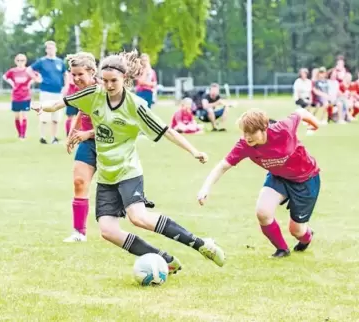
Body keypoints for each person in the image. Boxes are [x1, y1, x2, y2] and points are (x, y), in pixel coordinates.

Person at [33, 50, 225, 273]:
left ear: (125, 78)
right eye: (105, 81)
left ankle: (202, 244)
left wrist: (194, 151)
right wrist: (41, 107)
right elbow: (60, 103)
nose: (109, 85)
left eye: (113, 80)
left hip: (128, 172)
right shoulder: (93, 94)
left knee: (139, 218)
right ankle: (165, 259)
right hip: (106, 175)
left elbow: (167, 131)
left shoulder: (136, 105)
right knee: (108, 231)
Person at [197, 108, 321, 258]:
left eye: (252, 132)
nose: (247, 137)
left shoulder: (283, 129)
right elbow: (223, 166)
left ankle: (307, 236)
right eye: (245, 132)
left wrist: (315, 124)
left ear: (264, 128)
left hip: (306, 179)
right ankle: (282, 249)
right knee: (263, 212)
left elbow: (300, 112)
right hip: (278, 177)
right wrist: (205, 188)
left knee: (296, 231)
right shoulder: (244, 145)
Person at [62, 52, 157, 243]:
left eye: (80, 74)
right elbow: (82, 112)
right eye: (73, 75)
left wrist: (87, 133)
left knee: (116, 190)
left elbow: (114, 125)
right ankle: (79, 232)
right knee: (79, 182)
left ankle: (125, 220)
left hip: (112, 143)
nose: (76, 79)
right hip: (88, 144)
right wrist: (73, 132)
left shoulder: (106, 89)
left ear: (91, 71)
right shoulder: (81, 92)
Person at [27, 40, 69, 144]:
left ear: (55, 49)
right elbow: (29, 70)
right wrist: (36, 79)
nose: (50, 50)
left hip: (57, 92)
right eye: (48, 48)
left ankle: (53, 137)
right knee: (44, 115)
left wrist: (66, 86)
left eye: (52, 48)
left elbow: (66, 74)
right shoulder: (42, 61)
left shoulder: (60, 62)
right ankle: (42, 137)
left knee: (56, 116)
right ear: (46, 50)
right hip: (46, 91)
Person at [3, 53, 38, 139]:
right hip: (16, 96)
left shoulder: (28, 70)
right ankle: (19, 133)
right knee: (17, 116)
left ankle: (23, 134)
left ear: (25, 61)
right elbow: (5, 76)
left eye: (22, 60)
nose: (20, 62)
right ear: (15, 61)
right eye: (18, 60)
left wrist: (30, 82)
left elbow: (37, 76)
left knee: (24, 115)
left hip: (25, 96)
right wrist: (11, 83)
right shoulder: (13, 71)